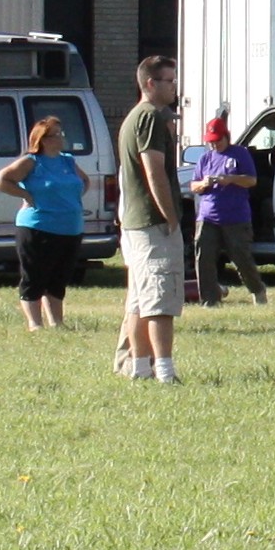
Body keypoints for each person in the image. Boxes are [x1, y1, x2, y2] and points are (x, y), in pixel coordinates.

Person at [116, 54, 184, 383]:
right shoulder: (149, 117)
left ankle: (140, 368)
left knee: (139, 298)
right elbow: (154, 171)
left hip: (134, 222)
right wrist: (171, 217)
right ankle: (165, 371)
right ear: (150, 83)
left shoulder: (135, 117)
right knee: (160, 297)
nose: (174, 87)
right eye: (169, 81)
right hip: (151, 221)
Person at [0, 115, 85, 330]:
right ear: (43, 139)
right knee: (35, 276)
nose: (61, 138)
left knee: (58, 277)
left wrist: (73, 199)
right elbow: (1, 180)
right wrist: (27, 195)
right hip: (38, 227)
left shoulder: (68, 161)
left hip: (70, 228)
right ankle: (35, 324)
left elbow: (84, 181)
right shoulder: (32, 162)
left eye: (61, 134)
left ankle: (57, 322)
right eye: (56, 135)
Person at [190, 113, 268, 308]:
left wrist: (231, 179)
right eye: (211, 141)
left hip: (235, 217)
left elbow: (251, 180)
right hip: (207, 217)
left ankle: (257, 290)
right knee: (204, 258)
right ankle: (210, 300)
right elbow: (193, 186)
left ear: (226, 136)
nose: (214, 145)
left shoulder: (239, 154)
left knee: (241, 258)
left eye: (217, 140)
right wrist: (203, 183)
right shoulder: (205, 159)